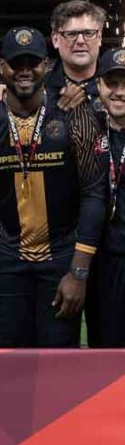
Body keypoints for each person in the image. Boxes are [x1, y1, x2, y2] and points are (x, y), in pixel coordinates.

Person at [0, 27, 104, 348]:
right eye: (15, 63)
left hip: (61, 258)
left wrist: (78, 272)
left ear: (46, 65)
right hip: (4, 258)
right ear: (1, 67)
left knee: (58, 359)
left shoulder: (74, 114)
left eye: (32, 62)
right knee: (8, 361)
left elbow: (94, 194)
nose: (24, 70)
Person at [85, 47, 125, 347]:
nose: (120, 92)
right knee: (105, 349)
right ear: (98, 85)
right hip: (99, 261)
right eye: (112, 83)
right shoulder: (85, 130)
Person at [46, 0, 105, 110]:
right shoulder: (40, 89)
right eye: (71, 34)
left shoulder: (119, 87)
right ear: (55, 39)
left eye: (88, 33)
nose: (80, 41)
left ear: (99, 37)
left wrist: (91, 90)